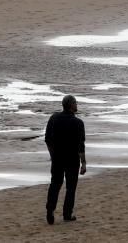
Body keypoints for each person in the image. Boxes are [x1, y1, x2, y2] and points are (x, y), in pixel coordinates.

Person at [44, 95, 86, 224]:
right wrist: (83, 163)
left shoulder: (54, 118)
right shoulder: (78, 123)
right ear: (71, 105)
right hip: (72, 160)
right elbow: (81, 145)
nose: (77, 105)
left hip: (57, 158)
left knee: (55, 185)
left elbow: (47, 139)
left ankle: (50, 211)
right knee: (70, 188)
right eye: (75, 103)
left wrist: (52, 155)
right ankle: (67, 214)